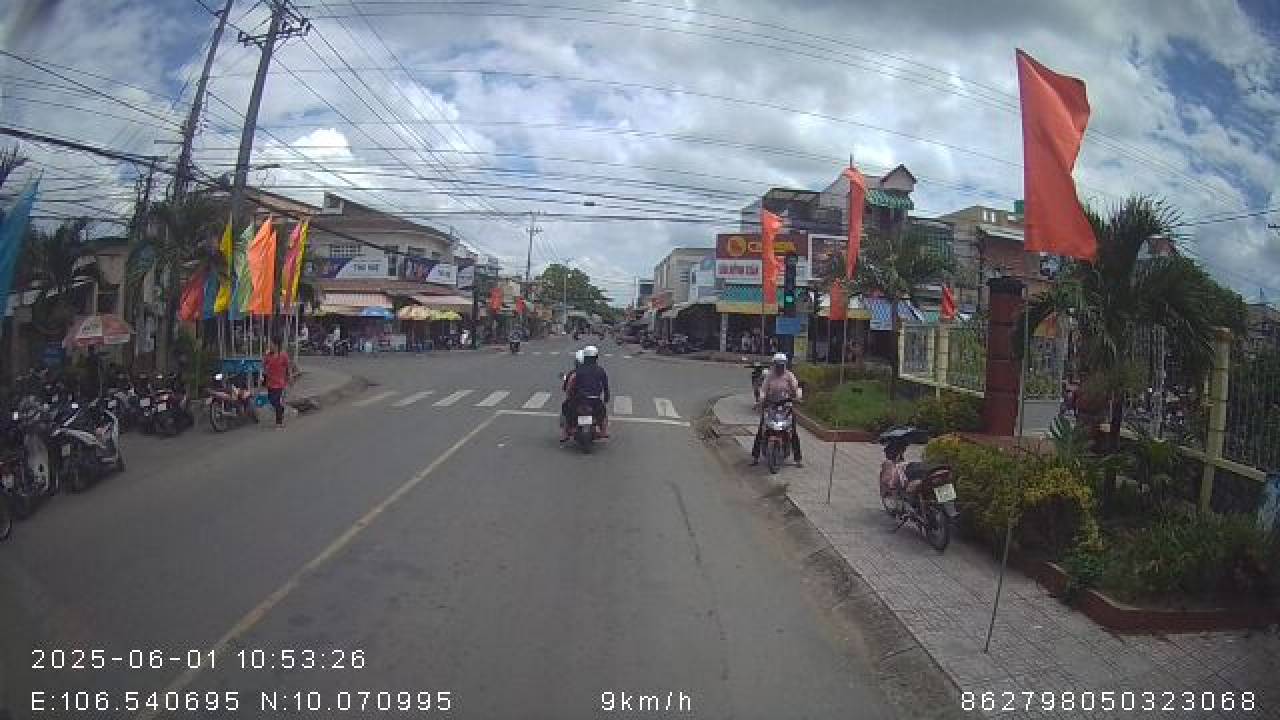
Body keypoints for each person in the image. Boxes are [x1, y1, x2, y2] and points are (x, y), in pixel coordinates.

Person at [751, 352, 803, 467]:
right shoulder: (770, 376)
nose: (779, 367)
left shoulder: (789, 375)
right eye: (777, 365)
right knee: (761, 430)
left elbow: (796, 388)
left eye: (781, 365)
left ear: (785, 364)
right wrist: (760, 400)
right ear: (774, 364)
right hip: (771, 406)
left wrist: (797, 396)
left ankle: (798, 459)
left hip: (786, 406)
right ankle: (755, 457)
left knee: (793, 432)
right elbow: (763, 390)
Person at [562, 345, 610, 440]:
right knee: (603, 414)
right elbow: (605, 386)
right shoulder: (600, 370)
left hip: (579, 400)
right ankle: (603, 431)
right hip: (595, 401)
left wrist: (569, 396)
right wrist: (606, 397)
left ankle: (565, 433)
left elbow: (570, 385)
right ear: (596, 357)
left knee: (566, 409)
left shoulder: (577, 371)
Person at [263, 338, 290, 428]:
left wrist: (289, 377)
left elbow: (287, 367)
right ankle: (281, 410)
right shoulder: (268, 355)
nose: (270, 345)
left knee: (276, 401)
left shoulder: (283, 355)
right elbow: (264, 365)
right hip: (270, 382)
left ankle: (279, 422)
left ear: (276, 345)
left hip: (279, 383)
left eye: (271, 344)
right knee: (271, 400)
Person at [559, 349, 585, 437]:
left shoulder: (573, 373)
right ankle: (603, 429)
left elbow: (565, 388)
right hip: (592, 400)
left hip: (576, 400)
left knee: (565, 407)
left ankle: (565, 432)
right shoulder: (594, 372)